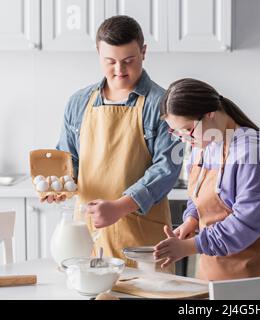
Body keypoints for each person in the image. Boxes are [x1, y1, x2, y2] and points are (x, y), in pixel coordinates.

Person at [53, 15, 182, 265]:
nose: (119, 70)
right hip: (88, 236)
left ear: (143, 52)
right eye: (110, 61)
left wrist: (120, 207)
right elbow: (69, 162)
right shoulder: (78, 102)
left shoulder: (162, 104)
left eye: (128, 61)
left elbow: (166, 169)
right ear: (98, 53)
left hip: (143, 241)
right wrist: (60, 186)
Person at [154, 78, 260, 280]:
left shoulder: (253, 151)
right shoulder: (204, 146)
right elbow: (196, 198)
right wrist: (191, 220)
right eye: (176, 132)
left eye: (187, 129)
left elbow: (246, 223)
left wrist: (190, 246)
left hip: (250, 276)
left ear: (210, 114)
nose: (184, 139)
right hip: (211, 272)